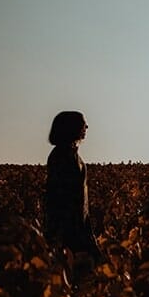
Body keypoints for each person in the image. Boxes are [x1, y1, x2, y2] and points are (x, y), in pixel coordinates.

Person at [44, 111, 100, 259]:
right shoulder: (62, 155)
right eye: (83, 124)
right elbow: (61, 198)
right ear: (71, 128)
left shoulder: (71, 154)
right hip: (69, 231)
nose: (86, 127)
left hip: (78, 228)